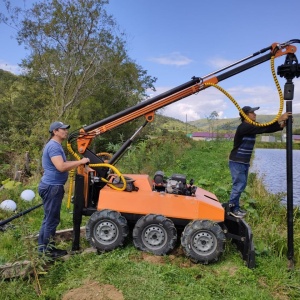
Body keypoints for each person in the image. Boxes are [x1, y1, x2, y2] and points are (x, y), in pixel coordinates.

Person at [38, 121, 90, 258]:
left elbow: (63, 164)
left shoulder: (55, 146)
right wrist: (81, 162)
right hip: (52, 187)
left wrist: (83, 165)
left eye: (66, 129)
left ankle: (42, 249)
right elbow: (61, 166)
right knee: (52, 220)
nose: (66, 132)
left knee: (48, 218)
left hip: (51, 186)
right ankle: (48, 252)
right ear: (55, 131)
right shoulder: (54, 147)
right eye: (63, 129)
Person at [228, 106, 292, 218]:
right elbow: (263, 128)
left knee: (240, 185)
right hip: (237, 161)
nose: (255, 114)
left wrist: (282, 125)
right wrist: (280, 118)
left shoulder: (252, 126)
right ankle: (231, 209)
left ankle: (235, 207)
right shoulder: (244, 127)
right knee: (239, 185)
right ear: (245, 115)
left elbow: (265, 128)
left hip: (243, 162)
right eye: (252, 113)